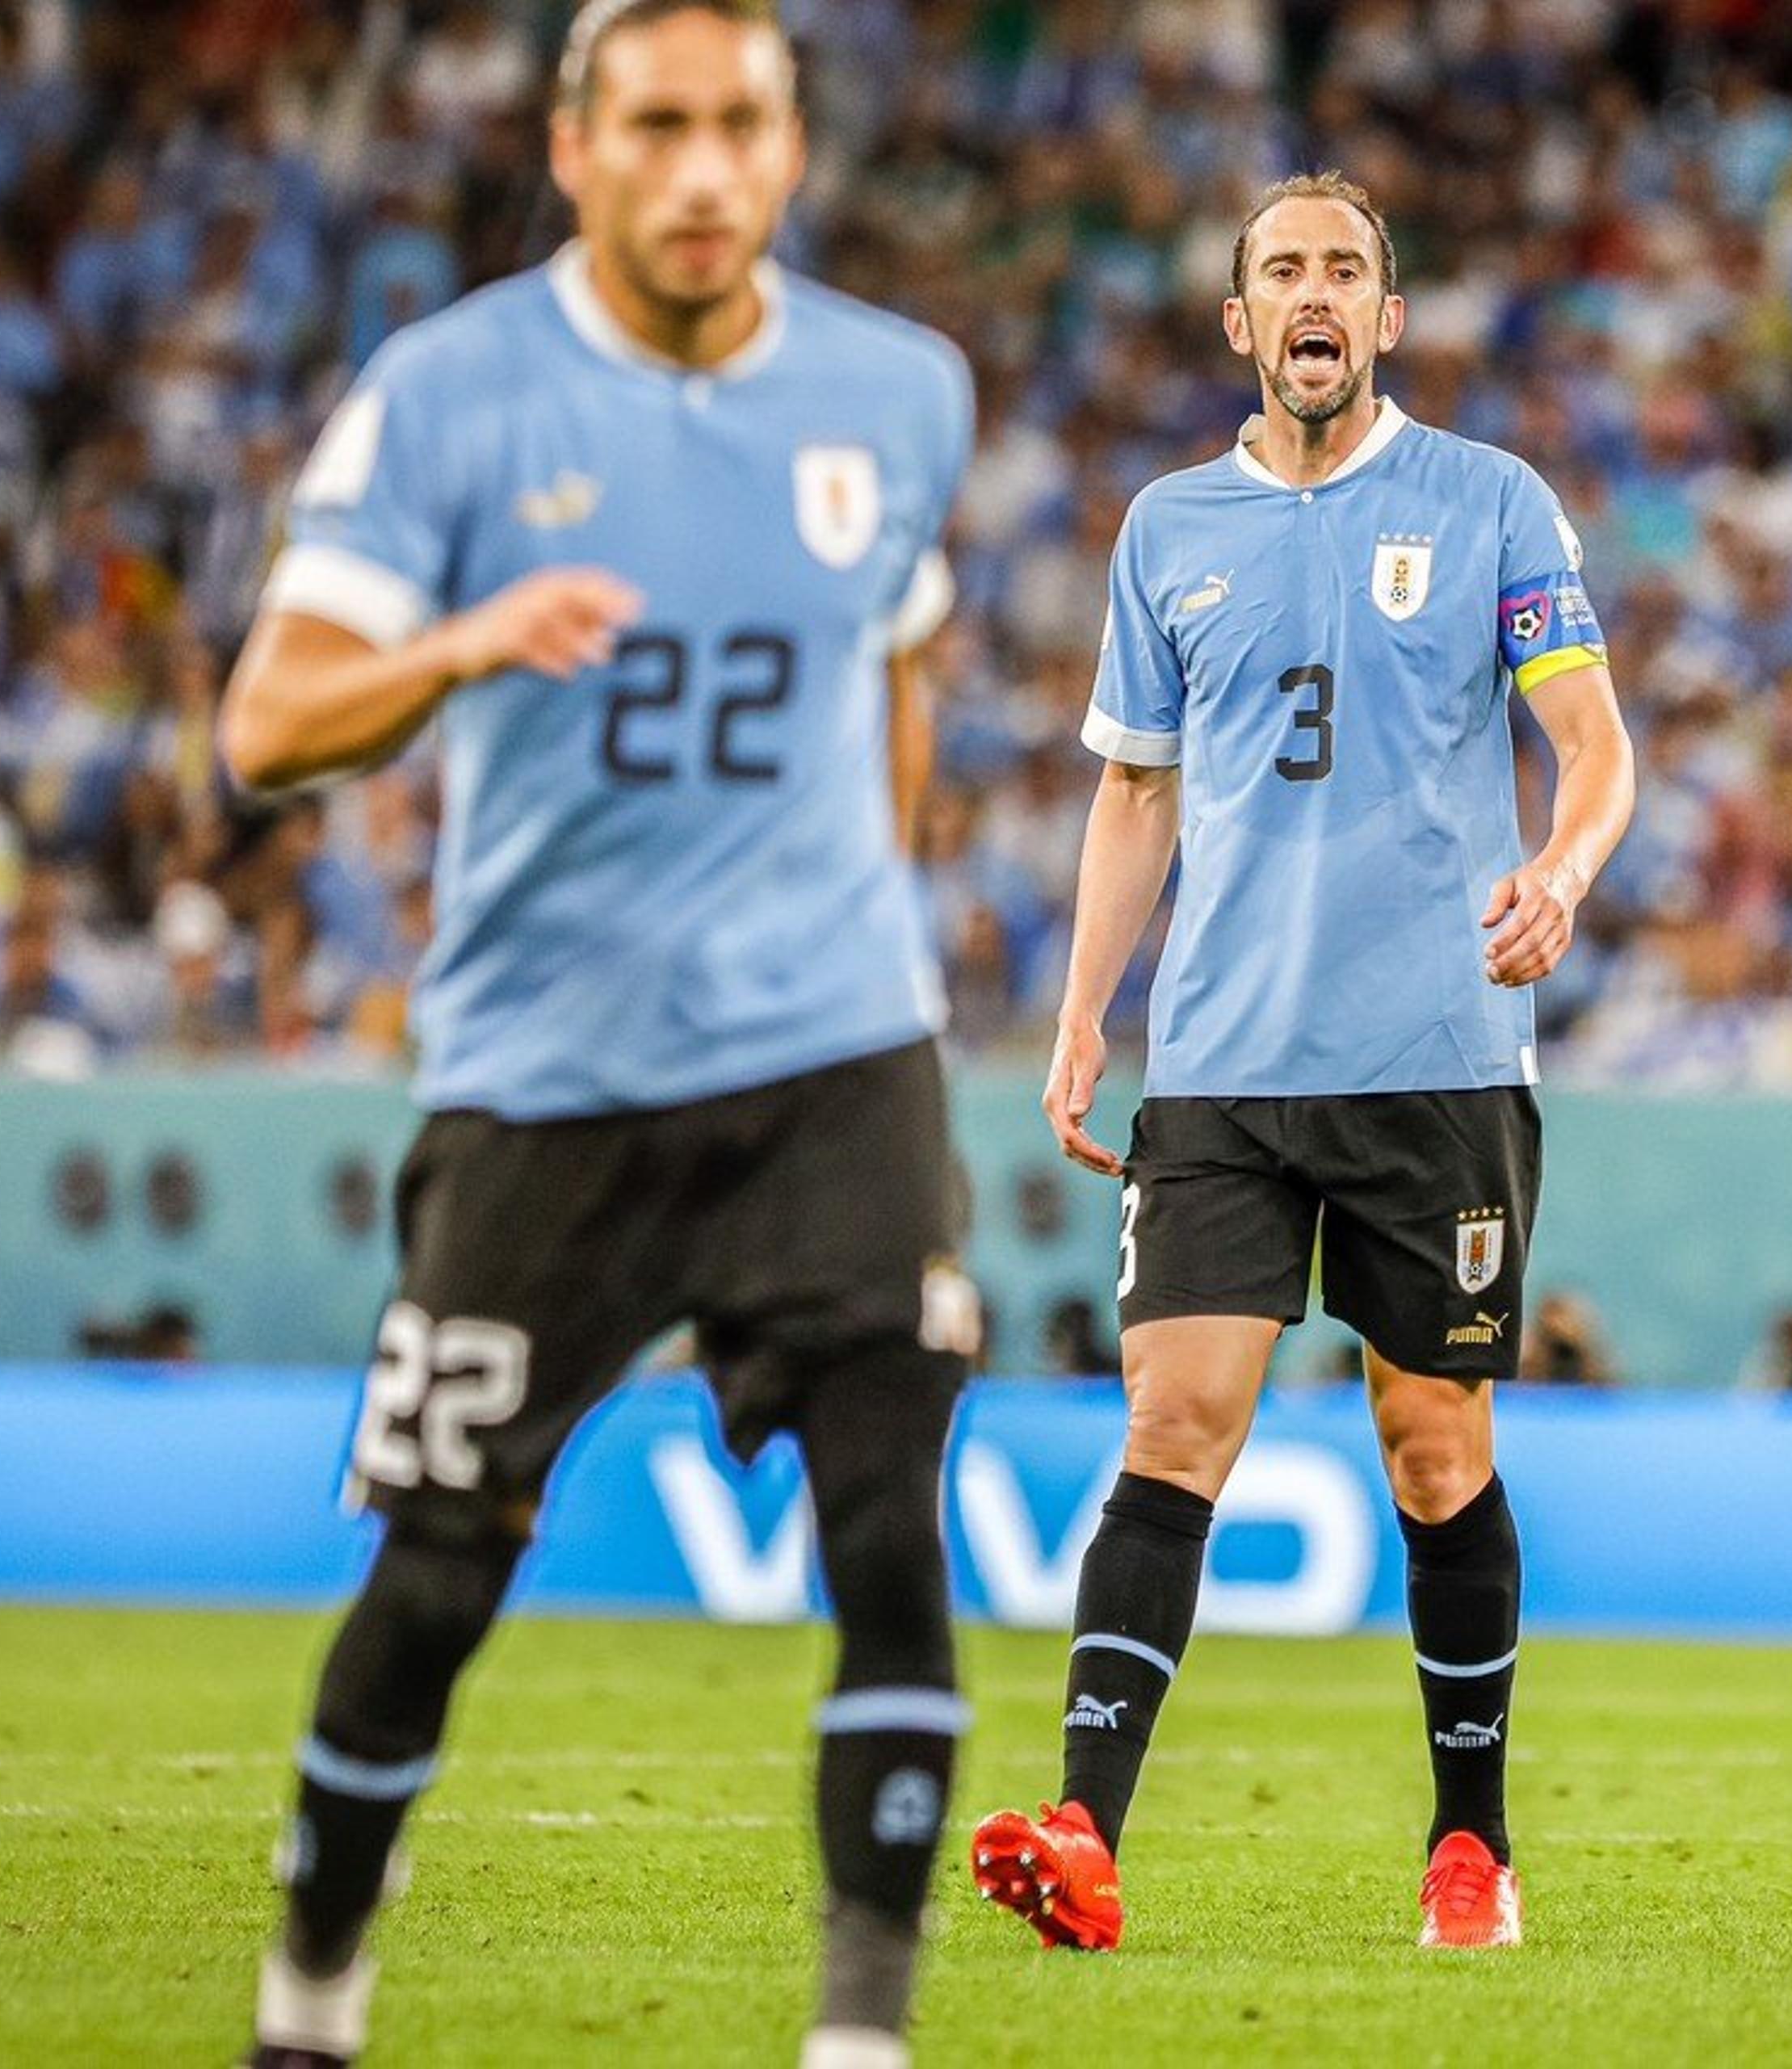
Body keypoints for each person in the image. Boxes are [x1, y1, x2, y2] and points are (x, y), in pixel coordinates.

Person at [217, 7, 978, 2066]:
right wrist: (465, 638)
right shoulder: (450, 396)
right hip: (548, 1081)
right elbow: (265, 723)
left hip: (834, 1059)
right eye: (658, 127)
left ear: (794, 144)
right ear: (574, 148)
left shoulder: (899, 397)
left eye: (741, 125)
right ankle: (309, 2003)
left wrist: (863, 907)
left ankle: (859, 2039)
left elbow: (895, 659)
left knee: (897, 1540)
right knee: (439, 1585)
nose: (704, 170)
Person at [968, 172, 1634, 1957]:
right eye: (1285, 270)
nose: (1317, 292)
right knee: (1174, 1422)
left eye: (1347, 267)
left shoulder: (1492, 503)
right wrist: (1082, 1011)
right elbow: (1134, 789)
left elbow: (1592, 743)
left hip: (1439, 1064)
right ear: (1244, 322)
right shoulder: (1168, 526)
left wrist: (1560, 876)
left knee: (1432, 1444)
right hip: (1224, 1074)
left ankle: (1469, 1849)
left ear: (1388, 318)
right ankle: (1087, 1836)